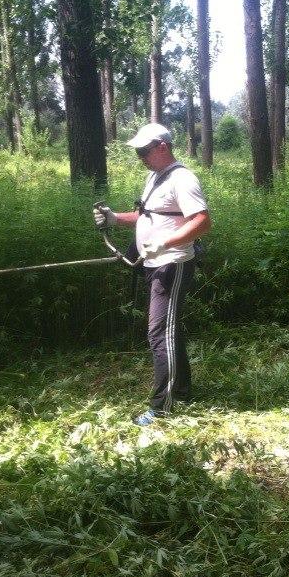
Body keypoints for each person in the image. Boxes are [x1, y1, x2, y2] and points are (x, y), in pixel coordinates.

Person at [93, 123, 212, 426]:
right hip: (154, 263)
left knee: (159, 333)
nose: (140, 157)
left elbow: (202, 221)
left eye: (144, 151)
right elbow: (148, 215)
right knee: (169, 329)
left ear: (162, 146)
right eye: (137, 152)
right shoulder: (155, 177)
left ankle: (162, 408)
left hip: (172, 263)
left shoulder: (183, 179)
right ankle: (181, 390)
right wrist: (114, 218)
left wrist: (165, 242)